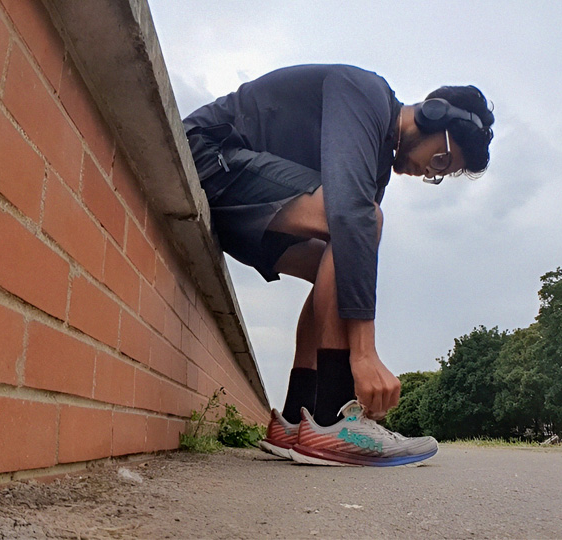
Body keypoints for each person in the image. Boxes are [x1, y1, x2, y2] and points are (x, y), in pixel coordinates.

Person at [183, 64, 494, 466]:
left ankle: (298, 418)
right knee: (363, 220)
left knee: (342, 253)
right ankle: (334, 417)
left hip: (240, 200)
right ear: (433, 113)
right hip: (210, 154)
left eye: (440, 175)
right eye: (440, 160)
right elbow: (350, 216)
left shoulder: (379, 160)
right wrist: (363, 355)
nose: (427, 173)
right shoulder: (366, 92)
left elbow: (352, 247)